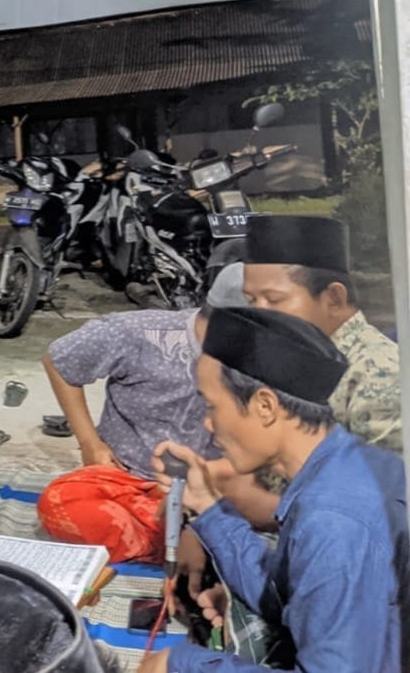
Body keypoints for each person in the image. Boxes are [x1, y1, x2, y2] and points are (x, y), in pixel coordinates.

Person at [137, 307, 408, 673]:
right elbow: (284, 593)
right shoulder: (344, 466)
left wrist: (183, 664)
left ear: (264, 406)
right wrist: (205, 501)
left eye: (212, 405)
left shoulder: (335, 522)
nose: (208, 422)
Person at [35, 266, 243, 563]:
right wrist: (90, 443)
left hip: (207, 487)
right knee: (59, 502)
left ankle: (179, 540)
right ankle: (180, 543)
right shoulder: (136, 333)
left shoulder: (264, 360)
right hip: (124, 481)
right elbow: (58, 360)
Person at [241, 214, 401, 452]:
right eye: (251, 300)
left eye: (274, 300)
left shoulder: (379, 375)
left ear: (333, 299)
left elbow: (382, 485)